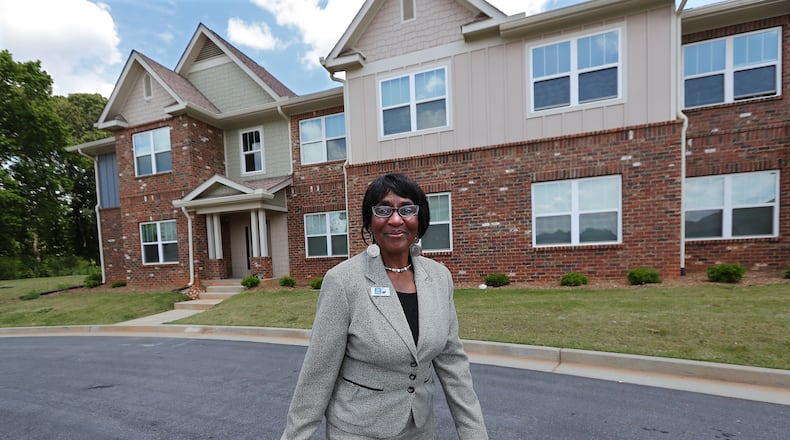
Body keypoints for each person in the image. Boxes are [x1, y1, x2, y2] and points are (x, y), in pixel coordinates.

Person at [281, 173, 488, 439]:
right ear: (369, 221)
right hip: (359, 429)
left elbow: (453, 363)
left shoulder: (438, 277)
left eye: (407, 209)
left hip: (419, 429)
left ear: (420, 218)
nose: (395, 219)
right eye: (383, 210)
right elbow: (317, 374)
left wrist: (474, 433)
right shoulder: (344, 281)